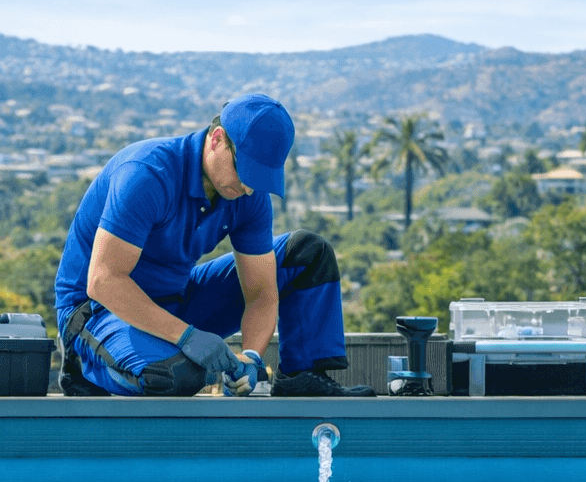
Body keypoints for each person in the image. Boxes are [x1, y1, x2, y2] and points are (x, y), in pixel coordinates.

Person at [53, 93, 375, 397]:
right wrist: (186, 337)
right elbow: (103, 281)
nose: (249, 188)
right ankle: (85, 363)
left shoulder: (248, 194)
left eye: (259, 178)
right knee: (174, 376)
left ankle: (302, 378)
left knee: (306, 254)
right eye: (244, 171)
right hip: (99, 310)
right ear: (217, 139)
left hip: (175, 299)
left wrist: (251, 358)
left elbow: (261, 293)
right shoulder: (148, 174)